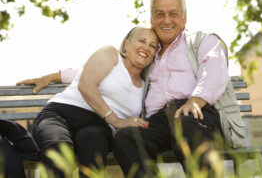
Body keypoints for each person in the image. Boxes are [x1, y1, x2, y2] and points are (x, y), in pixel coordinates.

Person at [17, 0, 244, 178]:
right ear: (151, 19)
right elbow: (95, 72)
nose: (166, 20)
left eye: (173, 14)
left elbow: (215, 71)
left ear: (184, 17)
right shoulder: (142, 58)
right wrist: (54, 75)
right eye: (159, 14)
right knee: (126, 137)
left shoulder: (203, 41)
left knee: (186, 122)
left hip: (195, 112)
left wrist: (196, 100)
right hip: (157, 121)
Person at [19, 26, 159, 178]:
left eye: (153, 45)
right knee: (59, 150)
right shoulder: (110, 54)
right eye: (142, 40)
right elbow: (85, 84)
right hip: (61, 114)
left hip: (98, 127)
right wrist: (116, 120)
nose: (146, 47)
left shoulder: (146, 87)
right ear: (126, 44)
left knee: (95, 145)